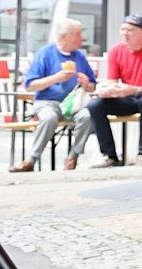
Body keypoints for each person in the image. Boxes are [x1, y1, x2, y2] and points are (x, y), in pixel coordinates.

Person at [85, 14, 142, 167]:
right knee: (95, 104)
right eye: (122, 29)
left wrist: (133, 89)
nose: (125, 33)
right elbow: (113, 82)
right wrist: (107, 90)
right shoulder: (115, 51)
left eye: (130, 30)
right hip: (129, 97)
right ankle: (110, 155)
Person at [10, 19, 94, 173]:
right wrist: (56, 78)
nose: (81, 39)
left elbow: (92, 86)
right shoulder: (45, 53)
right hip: (47, 102)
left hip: (73, 104)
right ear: (64, 36)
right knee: (49, 118)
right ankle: (31, 160)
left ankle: (73, 157)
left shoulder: (80, 57)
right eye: (77, 35)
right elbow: (30, 86)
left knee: (87, 116)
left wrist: (86, 83)